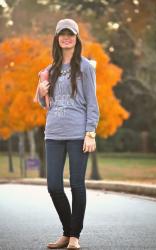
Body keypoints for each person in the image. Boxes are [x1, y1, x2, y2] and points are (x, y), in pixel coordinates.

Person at [35, 18, 100, 249]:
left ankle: (74, 236)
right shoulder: (48, 70)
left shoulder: (85, 67)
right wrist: (41, 91)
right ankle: (67, 231)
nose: (66, 37)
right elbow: (44, 103)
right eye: (62, 34)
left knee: (76, 184)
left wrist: (90, 132)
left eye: (70, 34)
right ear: (57, 38)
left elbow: (93, 103)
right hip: (53, 134)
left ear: (76, 38)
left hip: (77, 133)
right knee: (53, 185)